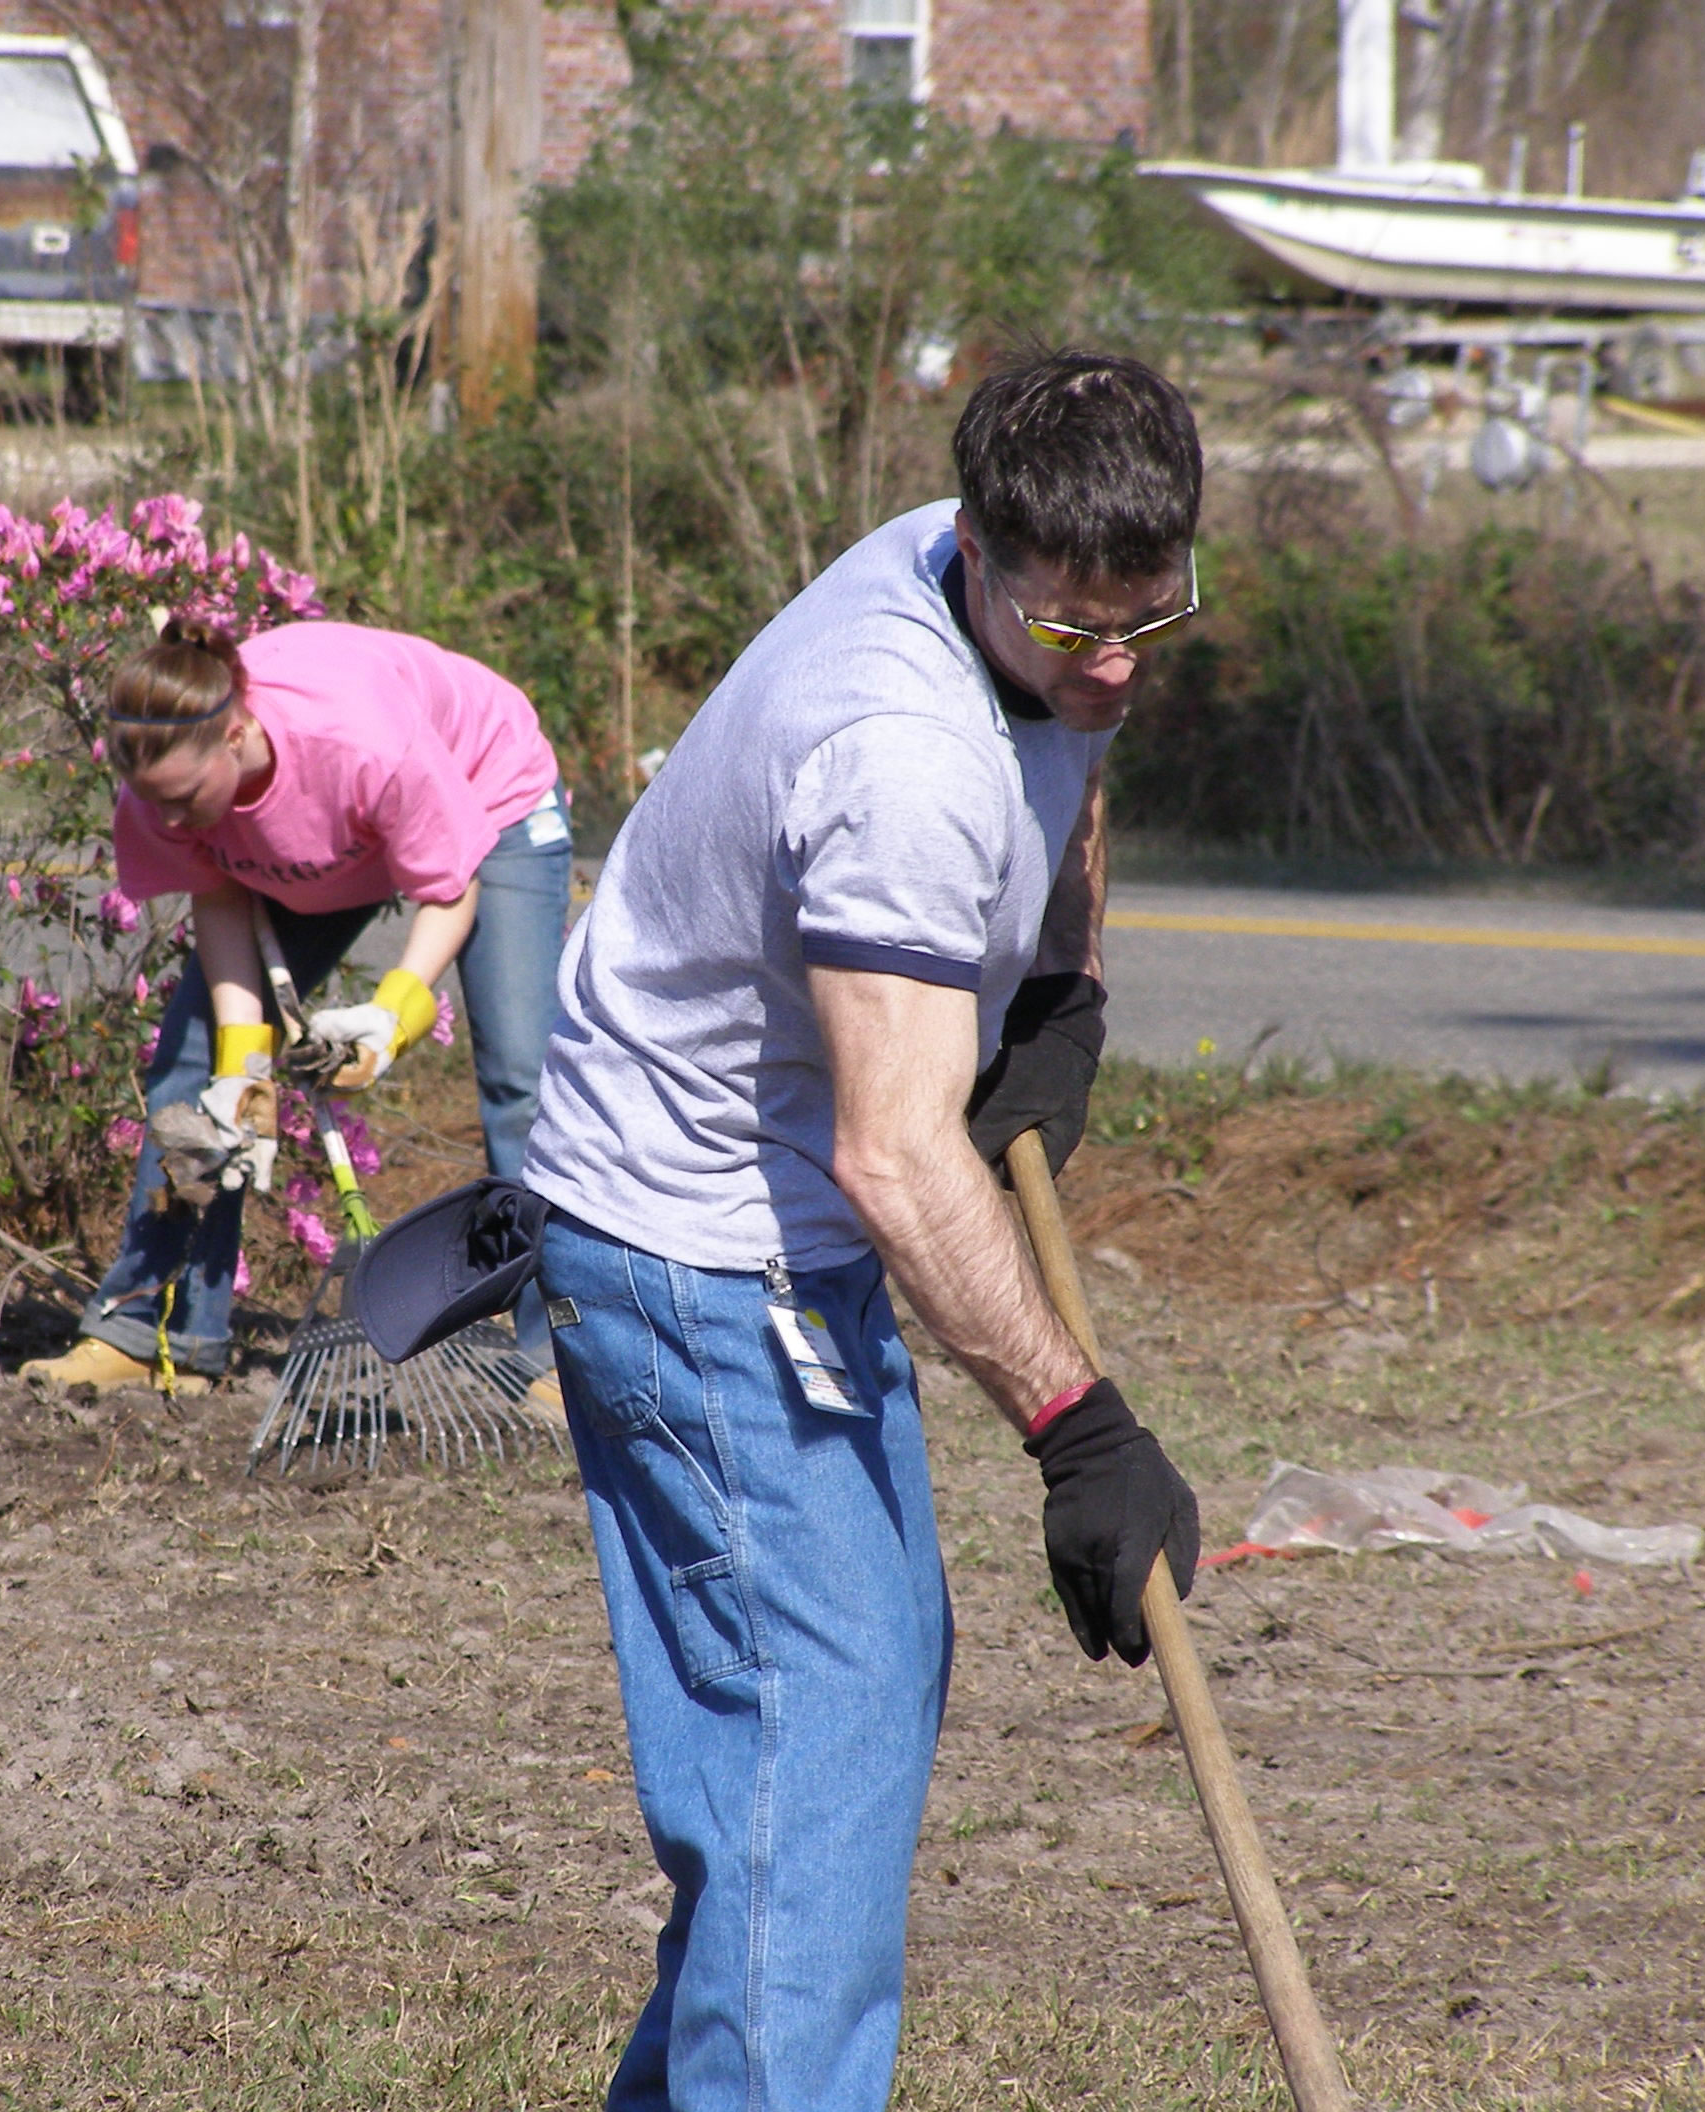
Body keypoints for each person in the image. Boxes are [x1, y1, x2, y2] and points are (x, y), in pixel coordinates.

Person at [520, 349, 1206, 2112]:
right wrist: (1080, 1431)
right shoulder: (896, 749)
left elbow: (1075, 744)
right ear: (978, 552)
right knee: (812, 1748)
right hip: (696, 1246)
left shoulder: (1029, 595)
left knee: (844, 1707)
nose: (1113, 662)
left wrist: (1054, 982)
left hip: (760, 1220)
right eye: (1073, 627)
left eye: (1151, 616)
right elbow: (898, 1160)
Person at [21, 614, 571, 1393]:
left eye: (184, 798)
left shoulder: (362, 741)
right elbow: (218, 896)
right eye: (156, 803)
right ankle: (152, 1332)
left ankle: (566, 1358)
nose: (168, 821)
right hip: (329, 844)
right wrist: (241, 1063)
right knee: (195, 1068)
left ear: (236, 735)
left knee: (522, 1077)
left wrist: (391, 1021)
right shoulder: (163, 789)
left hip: (486, 794)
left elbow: (449, 888)